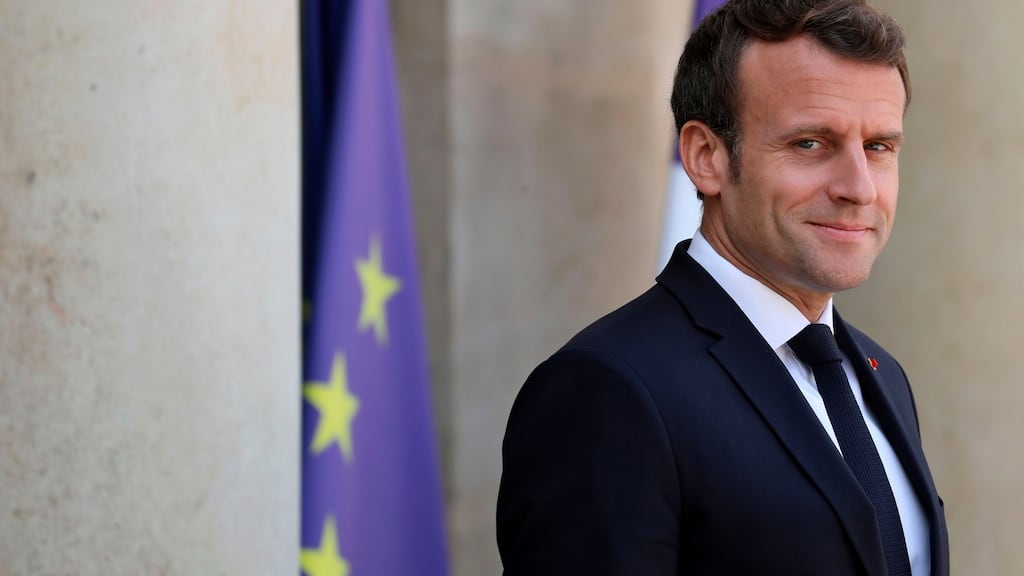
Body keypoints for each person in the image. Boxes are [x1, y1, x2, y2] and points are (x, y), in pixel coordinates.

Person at [496, 0, 949, 574]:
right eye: (811, 143)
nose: (859, 188)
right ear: (706, 157)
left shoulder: (880, 374)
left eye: (879, 146)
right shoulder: (608, 390)